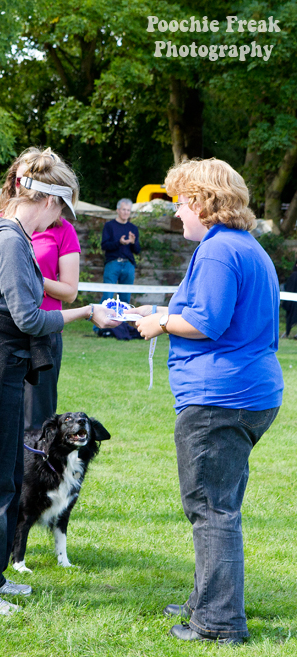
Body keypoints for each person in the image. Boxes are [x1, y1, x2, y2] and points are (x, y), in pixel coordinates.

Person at [0, 148, 118, 615]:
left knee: (8, 476)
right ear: (50, 201)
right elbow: (31, 318)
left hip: (0, 370)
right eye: (62, 208)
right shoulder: (11, 240)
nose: (58, 219)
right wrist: (89, 312)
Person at [130, 158, 282, 644]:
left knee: (211, 509)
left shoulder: (219, 251)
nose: (177, 215)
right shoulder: (241, 247)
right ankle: (206, 600)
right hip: (247, 393)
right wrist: (160, 310)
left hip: (221, 399)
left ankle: (218, 623)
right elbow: (206, 310)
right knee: (219, 504)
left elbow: (206, 324)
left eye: (180, 204)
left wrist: (161, 323)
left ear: (203, 202)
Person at [0, 149, 82, 432]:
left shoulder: (62, 229)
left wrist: (27, 277)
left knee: (37, 421)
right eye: (20, 178)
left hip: (44, 333)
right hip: (5, 332)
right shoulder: (0, 226)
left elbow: (69, 292)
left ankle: (32, 474)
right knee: (1, 417)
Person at [100, 198, 139, 303]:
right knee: (108, 296)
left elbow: (137, 250)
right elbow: (104, 246)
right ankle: (102, 318)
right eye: (123, 209)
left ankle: (123, 319)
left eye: (128, 210)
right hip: (113, 263)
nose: (126, 212)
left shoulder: (133, 228)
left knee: (125, 298)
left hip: (128, 265)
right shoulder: (109, 226)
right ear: (117, 210)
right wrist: (119, 242)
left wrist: (133, 242)